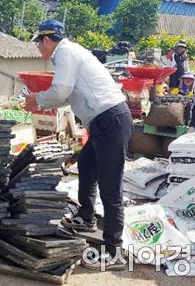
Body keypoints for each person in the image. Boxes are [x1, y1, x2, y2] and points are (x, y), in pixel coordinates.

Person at [22, 19, 132, 270]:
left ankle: (114, 250)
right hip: (103, 120)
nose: (39, 48)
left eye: (39, 43)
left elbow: (60, 91)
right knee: (87, 166)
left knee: (110, 185)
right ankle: (85, 217)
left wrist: (36, 100)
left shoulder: (65, 53)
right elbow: (69, 95)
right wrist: (41, 101)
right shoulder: (69, 53)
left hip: (111, 120)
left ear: (47, 40)